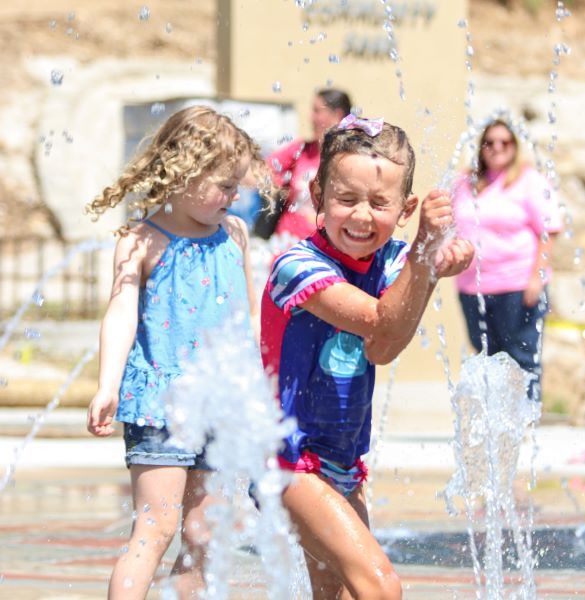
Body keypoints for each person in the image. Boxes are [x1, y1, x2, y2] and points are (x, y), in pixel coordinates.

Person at [260, 115, 474, 599]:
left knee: (333, 592)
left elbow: (384, 346)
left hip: (341, 460)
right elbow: (380, 325)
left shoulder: (393, 263)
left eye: (380, 203)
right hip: (286, 458)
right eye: (346, 199)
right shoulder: (295, 265)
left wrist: (429, 268)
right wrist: (424, 255)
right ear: (317, 196)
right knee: (379, 586)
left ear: (406, 207)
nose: (361, 216)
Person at [85, 105, 271, 599]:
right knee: (155, 530)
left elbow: (248, 315)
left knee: (203, 537)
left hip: (222, 404)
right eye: (224, 186)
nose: (234, 198)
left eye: (237, 186)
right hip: (160, 403)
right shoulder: (141, 240)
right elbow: (120, 313)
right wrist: (107, 385)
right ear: (182, 172)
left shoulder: (233, 233)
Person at [452, 118, 562, 402]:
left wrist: (536, 277)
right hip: (473, 286)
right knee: (486, 357)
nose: (497, 148)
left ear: (515, 147)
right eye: (490, 142)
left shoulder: (529, 181)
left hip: (517, 284)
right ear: (481, 147)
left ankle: (524, 423)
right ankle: (495, 422)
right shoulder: (465, 183)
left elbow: (549, 231)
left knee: (521, 356)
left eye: (505, 142)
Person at [256, 88, 352, 241]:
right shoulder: (301, 150)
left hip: (326, 246)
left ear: (337, 115)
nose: (310, 117)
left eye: (316, 111)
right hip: (287, 241)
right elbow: (261, 169)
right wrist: (275, 184)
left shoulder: (352, 159)